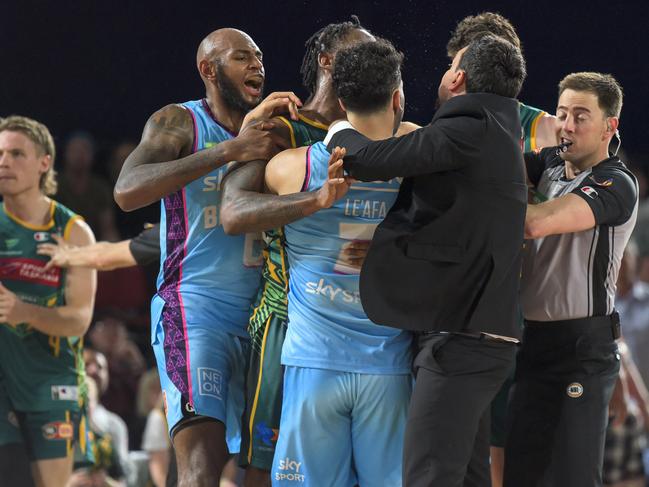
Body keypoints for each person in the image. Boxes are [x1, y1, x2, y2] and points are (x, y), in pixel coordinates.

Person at [328, 35, 528, 486]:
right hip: (479, 337)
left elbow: (370, 159)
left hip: (460, 339)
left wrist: (339, 130)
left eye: (449, 65)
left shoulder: (470, 126)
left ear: (457, 77)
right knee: (468, 478)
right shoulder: (494, 130)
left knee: (429, 477)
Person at [113, 28, 298, 487]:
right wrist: (230, 151)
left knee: (267, 467)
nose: (257, 65)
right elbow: (127, 190)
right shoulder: (179, 121)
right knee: (202, 462)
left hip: (265, 316)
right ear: (209, 69)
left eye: (259, 56)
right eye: (241, 58)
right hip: (195, 307)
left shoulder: (278, 131)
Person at [219, 17, 378, 486]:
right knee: (267, 467)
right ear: (326, 61)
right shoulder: (285, 128)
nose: (371, 59)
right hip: (290, 317)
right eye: (358, 50)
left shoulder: (380, 133)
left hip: (365, 325)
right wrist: (315, 200)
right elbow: (232, 213)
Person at [262, 39, 411, 486]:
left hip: (314, 363)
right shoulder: (420, 160)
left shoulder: (289, 168)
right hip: (388, 365)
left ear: (341, 102)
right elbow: (416, 135)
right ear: (397, 98)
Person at [505, 72, 638, 487]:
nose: (567, 125)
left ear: (608, 126)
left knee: (572, 477)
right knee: (522, 474)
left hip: (582, 349)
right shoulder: (546, 163)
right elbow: (483, 162)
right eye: (562, 114)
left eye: (582, 116)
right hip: (532, 344)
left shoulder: (617, 183)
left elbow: (533, 224)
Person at [444, 12, 560, 485]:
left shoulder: (548, 129)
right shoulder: (448, 123)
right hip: (469, 303)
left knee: (507, 446)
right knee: (470, 443)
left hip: (525, 307)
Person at [0, 116, 97, 487]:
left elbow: (79, 319)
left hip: (51, 385)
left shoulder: (73, 231)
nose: (3, 162)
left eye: (16, 154)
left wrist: (22, 311)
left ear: (44, 162)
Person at [37, 223, 160, 270]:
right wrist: (74, 251)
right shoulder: (170, 228)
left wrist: (66, 256)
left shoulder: (172, 230)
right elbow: (107, 250)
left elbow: (102, 259)